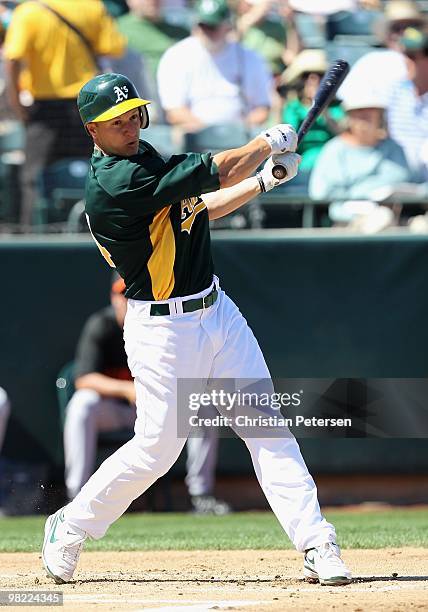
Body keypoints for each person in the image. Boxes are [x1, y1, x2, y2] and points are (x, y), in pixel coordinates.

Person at [41, 72, 351, 587]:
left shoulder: (145, 160)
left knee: (267, 428)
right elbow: (218, 168)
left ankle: (317, 541)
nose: (130, 125)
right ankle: (71, 525)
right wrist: (266, 142)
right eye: (116, 121)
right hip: (163, 329)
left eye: (134, 113)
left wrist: (264, 180)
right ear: (92, 131)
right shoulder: (117, 182)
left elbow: (197, 209)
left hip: (217, 311)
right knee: (158, 449)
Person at [65, 272, 231, 514]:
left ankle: (201, 495)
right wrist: (126, 388)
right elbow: (84, 378)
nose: (127, 300)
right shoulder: (102, 325)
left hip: (158, 406)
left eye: (133, 294)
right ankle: (76, 498)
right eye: (122, 294)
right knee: (82, 405)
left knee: (200, 404)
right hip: (119, 409)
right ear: (113, 297)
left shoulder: (163, 325)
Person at [3, 0, 126, 229]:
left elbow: (12, 58)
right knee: (96, 174)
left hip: (46, 109)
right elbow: (113, 47)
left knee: (34, 180)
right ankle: (99, 236)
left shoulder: (28, 11)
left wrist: (15, 103)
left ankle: (33, 241)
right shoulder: (93, 7)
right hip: (88, 105)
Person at [157, 0, 272, 131]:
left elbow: (262, 108)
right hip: (194, 139)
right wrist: (211, 133)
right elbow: (174, 112)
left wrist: (236, 132)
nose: (207, 31)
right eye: (203, 25)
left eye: (213, 27)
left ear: (228, 26)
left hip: (241, 139)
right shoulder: (177, 56)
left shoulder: (250, 57)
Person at [309, 94, 411, 228]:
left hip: (398, 220)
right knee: (381, 220)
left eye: (370, 111)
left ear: (380, 116)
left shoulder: (394, 148)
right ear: (348, 117)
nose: (365, 116)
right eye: (358, 112)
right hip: (348, 224)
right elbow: (320, 193)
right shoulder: (334, 151)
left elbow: (410, 182)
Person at [337, 0, 425, 106]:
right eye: (396, 28)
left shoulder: (425, 63)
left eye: (411, 27)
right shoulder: (371, 62)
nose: (403, 33)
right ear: (387, 33)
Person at [281, 49, 345, 172]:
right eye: (307, 76)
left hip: (332, 162)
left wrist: (322, 104)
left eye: (319, 76)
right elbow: (287, 139)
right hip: (300, 163)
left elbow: (341, 135)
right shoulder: (293, 108)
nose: (313, 80)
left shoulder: (335, 108)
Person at [386, 26, 428, 182]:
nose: (406, 61)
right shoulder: (395, 91)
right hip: (398, 175)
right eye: (404, 55)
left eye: (412, 55)